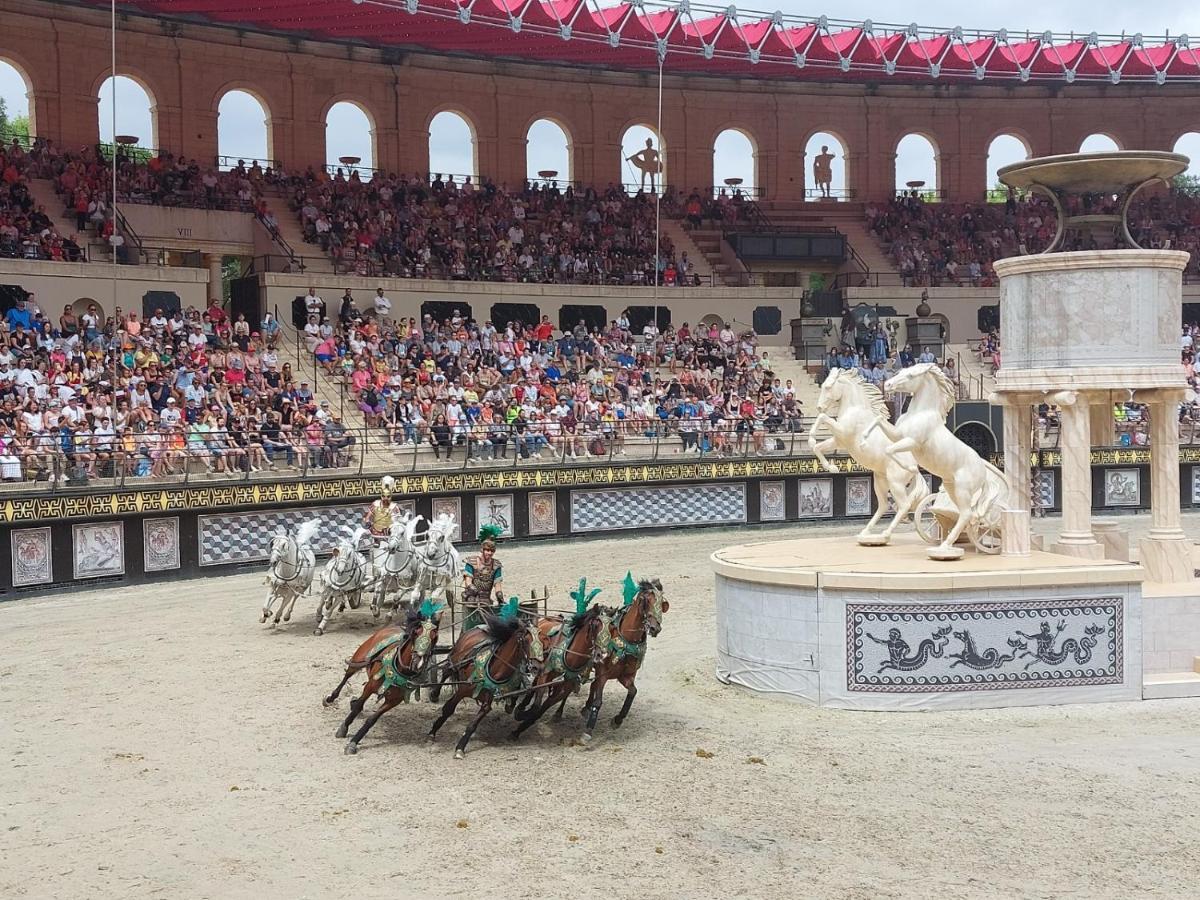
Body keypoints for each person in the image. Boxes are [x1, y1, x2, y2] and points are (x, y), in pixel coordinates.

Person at [462, 525, 505, 629]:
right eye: (487, 550)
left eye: (492, 551)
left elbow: (497, 584)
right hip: (472, 599)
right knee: (470, 626)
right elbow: (468, 581)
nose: (489, 553)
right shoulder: (471, 562)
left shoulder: (496, 565)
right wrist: (472, 588)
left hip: (486, 600)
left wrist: (499, 596)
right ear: (482, 549)